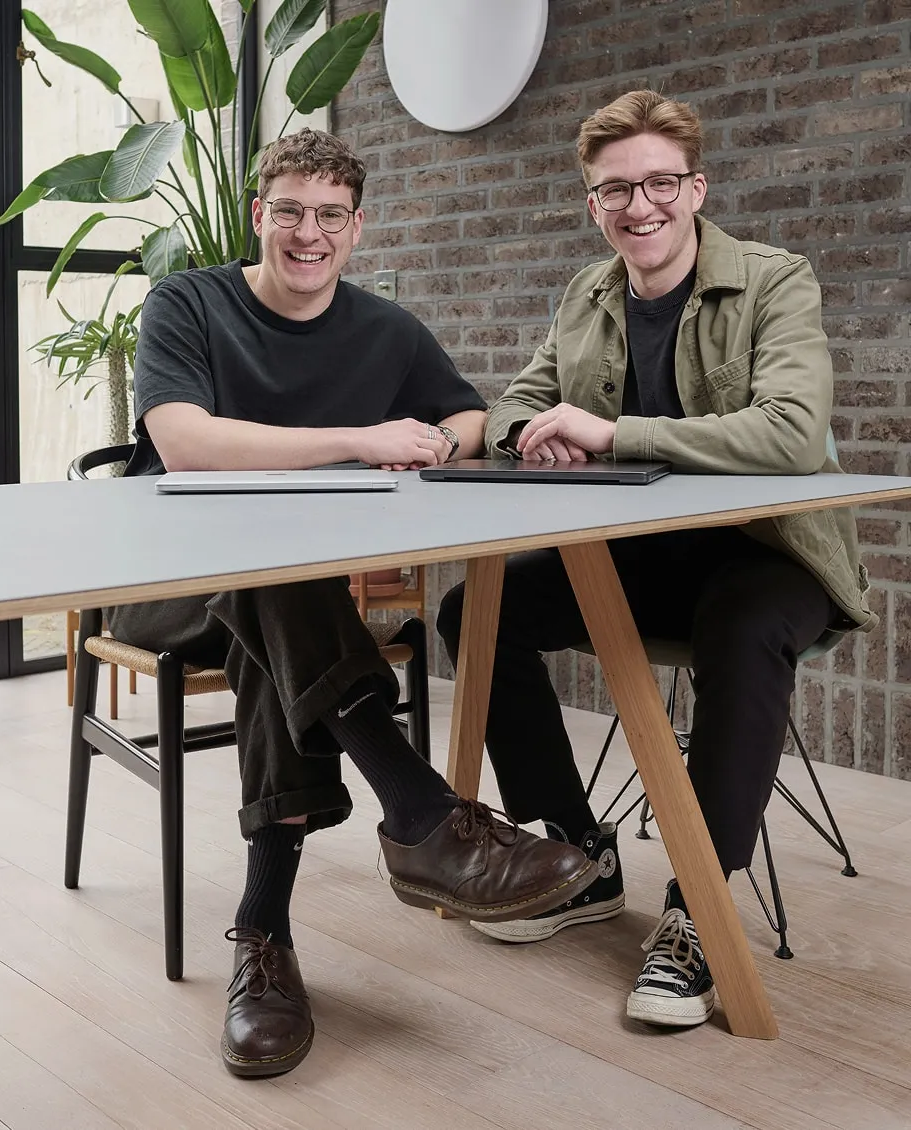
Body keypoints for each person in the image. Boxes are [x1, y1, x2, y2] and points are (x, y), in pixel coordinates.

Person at [109, 128, 598, 1076]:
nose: (308, 232)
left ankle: (265, 940)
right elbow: (186, 445)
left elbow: (466, 416)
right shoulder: (188, 303)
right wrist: (358, 440)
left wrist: (433, 445)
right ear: (260, 216)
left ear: (357, 227)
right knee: (272, 578)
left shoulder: (387, 328)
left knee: (280, 609)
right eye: (289, 211)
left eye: (330, 216)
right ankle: (418, 815)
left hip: (276, 608)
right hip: (165, 585)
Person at [437, 90, 870, 1029]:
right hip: (639, 557)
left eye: (660, 183)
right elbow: (515, 402)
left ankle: (697, 917)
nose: (641, 207)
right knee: (474, 612)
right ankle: (580, 856)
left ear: (696, 187)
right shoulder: (586, 294)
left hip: (772, 552)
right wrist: (534, 436)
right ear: (593, 204)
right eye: (616, 191)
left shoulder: (774, 279)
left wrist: (612, 431)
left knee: (746, 625)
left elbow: (793, 433)